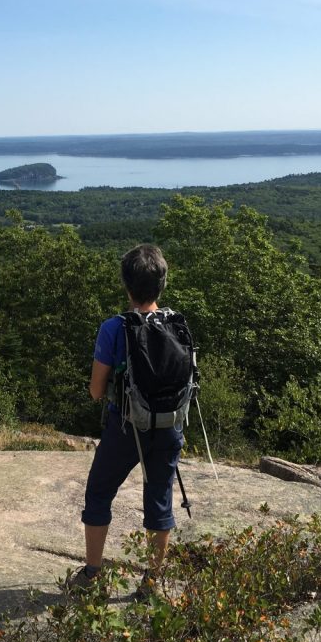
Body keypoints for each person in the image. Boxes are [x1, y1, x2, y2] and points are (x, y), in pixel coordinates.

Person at [68, 244, 185, 599]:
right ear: (161, 285)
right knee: (159, 501)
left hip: (125, 428)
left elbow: (95, 391)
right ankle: (151, 582)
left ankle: (91, 575)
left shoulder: (113, 329)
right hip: (168, 427)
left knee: (99, 494)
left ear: (126, 286)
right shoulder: (177, 325)